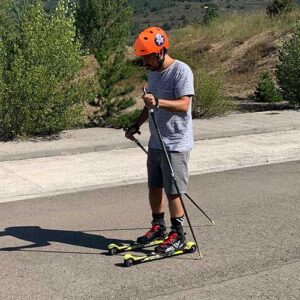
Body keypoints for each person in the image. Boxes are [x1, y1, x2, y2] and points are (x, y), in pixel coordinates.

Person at [125, 26, 194, 254]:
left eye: (148, 58)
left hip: (176, 143)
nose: (145, 63)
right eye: (143, 59)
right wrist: (136, 125)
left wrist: (159, 102)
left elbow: (184, 105)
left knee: (173, 190)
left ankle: (178, 235)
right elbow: (149, 104)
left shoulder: (181, 71)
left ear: (161, 51)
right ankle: (158, 227)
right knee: (154, 187)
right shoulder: (153, 73)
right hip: (156, 141)